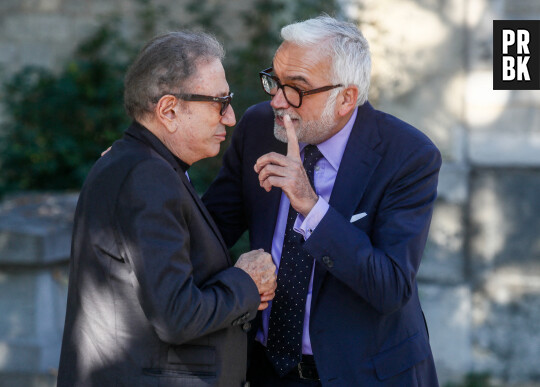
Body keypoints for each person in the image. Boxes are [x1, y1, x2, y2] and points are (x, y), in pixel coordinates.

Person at [202, 16, 441, 386]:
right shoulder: (259, 128)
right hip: (266, 369)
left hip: (364, 373)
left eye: (296, 88)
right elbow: (209, 228)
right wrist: (151, 167)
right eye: (275, 81)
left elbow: (390, 286)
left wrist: (311, 207)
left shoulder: (408, 155)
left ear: (346, 97)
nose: (278, 101)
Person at [57, 31, 277, 387]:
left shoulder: (142, 165)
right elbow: (176, 315)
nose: (231, 117)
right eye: (219, 102)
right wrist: (246, 282)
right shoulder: (146, 176)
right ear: (169, 109)